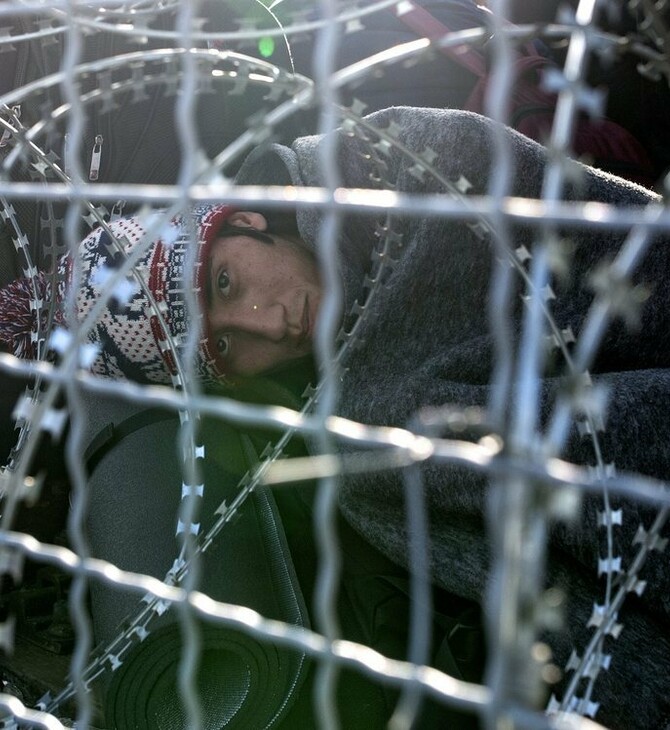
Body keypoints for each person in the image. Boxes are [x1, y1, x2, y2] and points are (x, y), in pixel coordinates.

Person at [1, 106, 669, 729]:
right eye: (226, 347)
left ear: (243, 222)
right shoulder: (342, 430)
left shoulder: (405, 163)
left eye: (225, 284)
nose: (267, 326)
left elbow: (636, 252)